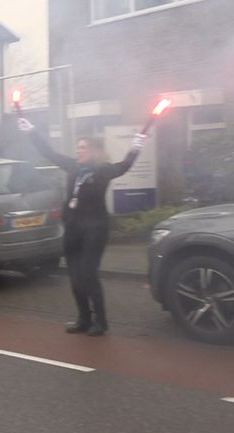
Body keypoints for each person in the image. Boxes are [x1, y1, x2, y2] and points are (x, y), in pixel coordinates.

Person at [19, 117, 146, 336]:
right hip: (74, 228)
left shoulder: (103, 170)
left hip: (95, 228)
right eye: (77, 147)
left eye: (83, 148)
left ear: (94, 151)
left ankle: (101, 320)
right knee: (75, 275)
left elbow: (125, 166)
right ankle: (83, 318)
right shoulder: (73, 167)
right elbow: (49, 152)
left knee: (88, 274)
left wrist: (136, 145)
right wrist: (31, 131)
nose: (78, 151)